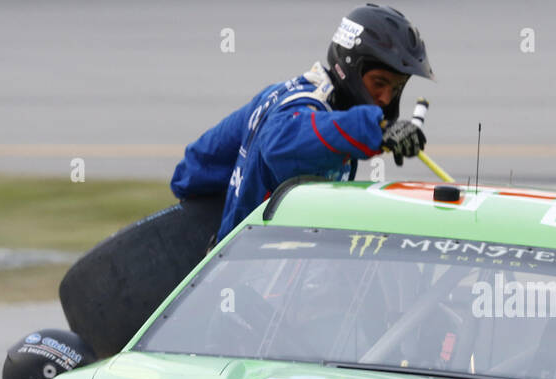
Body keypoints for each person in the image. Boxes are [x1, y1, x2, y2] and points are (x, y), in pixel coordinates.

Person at [170, 3, 434, 240]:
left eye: (396, 88)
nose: (387, 98)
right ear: (353, 68)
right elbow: (282, 140)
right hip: (261, 276)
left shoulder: (279, 94)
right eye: (379, 83)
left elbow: (193, 168)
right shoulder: (306, 107)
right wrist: (375, 131)